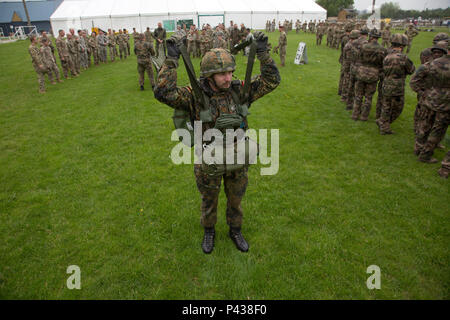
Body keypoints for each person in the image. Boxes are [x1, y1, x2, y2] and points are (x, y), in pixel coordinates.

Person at [154, 31, 281, 254]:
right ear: (209, 76)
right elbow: (163, 92)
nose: (228, 78)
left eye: (230, 72)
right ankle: (209, 230)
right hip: (209, 159)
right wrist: (171, 60)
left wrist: (263, 54)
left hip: (237, 156)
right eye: (222, 74)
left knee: (236, 199)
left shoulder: (239, 91)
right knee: (209, 199)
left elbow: (272, 81)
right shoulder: (193, 95)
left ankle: (235, 230)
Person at [414, 47, 449, 163]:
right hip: (445, 103)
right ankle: (425, 155)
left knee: (425, 125)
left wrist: (423, 93)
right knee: (437, 130)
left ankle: (418, 148)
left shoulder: (430, 64)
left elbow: (414, 81)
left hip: (429, 99)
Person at [376, 34, 415, 135]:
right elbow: (411, 70)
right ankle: (384, 123)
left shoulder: (386, 54)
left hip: (386, 83)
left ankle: (383, 124)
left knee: (386, 106)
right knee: (398, 107)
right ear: (402, 46)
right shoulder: (403, 58)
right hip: (397, 85)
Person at [352, 29, 386, 121]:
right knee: (368, 97)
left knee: (358, 95)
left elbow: (358, 58)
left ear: (370, 36)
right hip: (374, 74)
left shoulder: (364, 47)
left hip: (361, 72)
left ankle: (355, 115)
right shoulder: (382, 49)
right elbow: (383, 63)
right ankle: (364, 116)